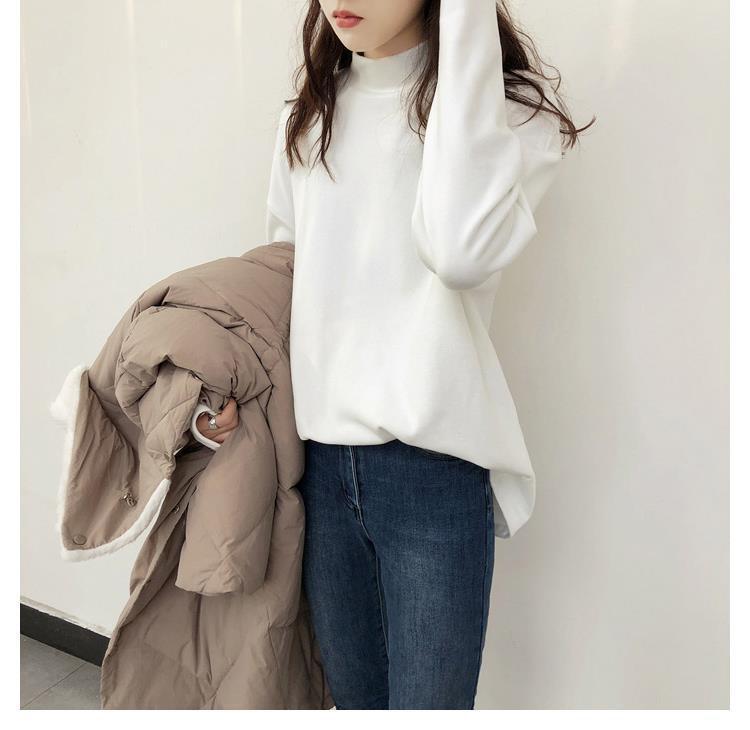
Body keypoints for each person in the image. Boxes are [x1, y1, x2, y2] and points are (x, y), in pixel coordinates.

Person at [191, 0, 591, 710]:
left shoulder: (510, 115)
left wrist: (464, 32)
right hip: (318, 470)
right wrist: (230, 397)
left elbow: (460, 251)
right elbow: (283, 284)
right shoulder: (310, 116)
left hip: (432, 476)